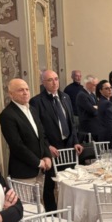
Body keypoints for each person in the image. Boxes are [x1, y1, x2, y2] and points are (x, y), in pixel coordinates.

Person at [30, 69, 84, 211]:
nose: (54, 83)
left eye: (56, 79)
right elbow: (38, 129)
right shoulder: (36, 101)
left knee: (70, 182)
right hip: (51, 148)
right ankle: (52, 213)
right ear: (43, 83)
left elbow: (72, 123)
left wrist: (76, 141)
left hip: (69, 145)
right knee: (50, 184)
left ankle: (70, 210)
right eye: (50, 80)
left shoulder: (65, 97)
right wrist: (47, 146)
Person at [0, 78, 52, 197]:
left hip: (40, 169)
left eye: (27, 89)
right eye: (20, 90)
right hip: (23, 172)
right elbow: (16, 145)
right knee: (26, 206)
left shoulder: (32, 110)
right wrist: (38, 162)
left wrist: (47, 156)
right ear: (11, 94)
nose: (25, 93)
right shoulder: (7, 115)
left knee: (39, 204)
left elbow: (42, 136)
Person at [76, 75, 100, 141]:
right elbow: (93, 111)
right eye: (95, 85)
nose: (96, 87)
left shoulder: (92, 94)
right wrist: (96, 108)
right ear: (88, 84)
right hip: (88, 127)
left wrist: (97, 107)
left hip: (96, 125)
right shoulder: (82, 95)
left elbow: (99, 107)